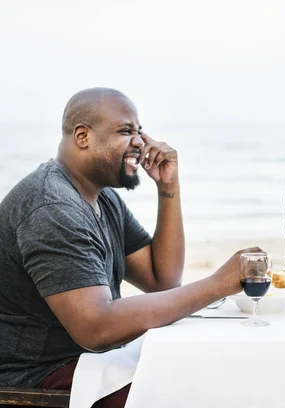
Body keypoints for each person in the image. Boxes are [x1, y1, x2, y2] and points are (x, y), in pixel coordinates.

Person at [0, 88, 260, 407]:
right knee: (193, 393)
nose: (140, 141)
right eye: (126, 130)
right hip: (38, 378)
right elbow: (97, 328)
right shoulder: (53, 207)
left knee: (210, 367)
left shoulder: (102, 197)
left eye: (140, 131)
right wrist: (218, 284)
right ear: (83, 136)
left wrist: (168, 186)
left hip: (90, 361)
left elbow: (160, 279)